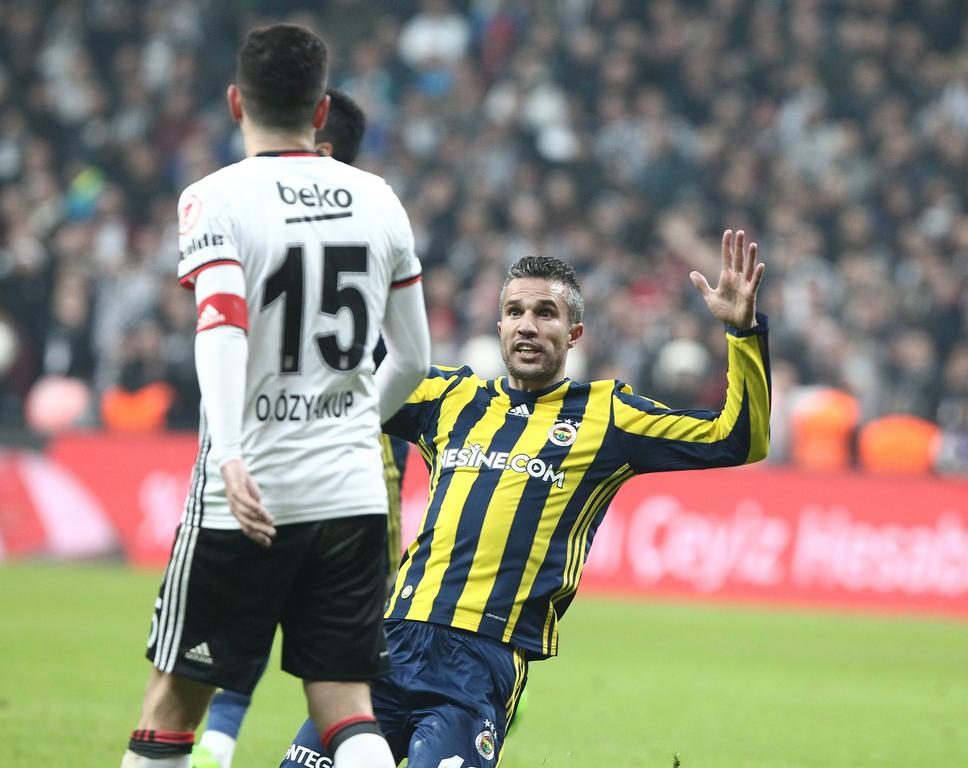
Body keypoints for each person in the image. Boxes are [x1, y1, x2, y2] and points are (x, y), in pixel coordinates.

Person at [280, 230, 770, 767]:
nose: (528, 326)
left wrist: (741, 331)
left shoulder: (609, 416)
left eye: (545, 313)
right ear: (499, 326)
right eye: (514, 312)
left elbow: (739, 438)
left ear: (574, 332)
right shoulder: (450, 396)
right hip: (388, 642)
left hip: (479, 661)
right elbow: (346, 375)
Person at [120, 24, 430, 768]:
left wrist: (230, 453)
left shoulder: (214, 198)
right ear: (323, 111)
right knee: (345, 706)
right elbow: (415, 359)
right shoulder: (379, 199)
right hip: (352, 494)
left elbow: (221, 324)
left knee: (172, 702)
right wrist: (354, 424)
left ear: (235, 103)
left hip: (248, 493)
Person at [189, 88, 411, 768]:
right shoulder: (378, 214)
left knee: (235, 624)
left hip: (277, 447)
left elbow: (225, 331)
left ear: (322, 144)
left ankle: (213, 746)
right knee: (347, 682)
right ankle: (227, 745)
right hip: (359, 465)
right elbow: (417, 357)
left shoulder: (258, 211)